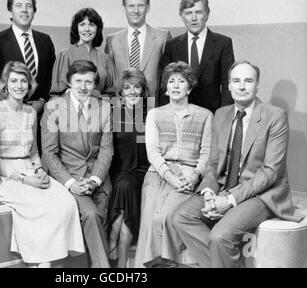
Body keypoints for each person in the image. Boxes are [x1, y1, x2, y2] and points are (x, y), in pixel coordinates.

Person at [172, 61, 304, 268]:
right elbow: (213, 164)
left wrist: (229, 200)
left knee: (220, 236)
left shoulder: (275, 116)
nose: (242, 86)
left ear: (257, 85)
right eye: (236, 81)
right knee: (180, 217)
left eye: (248, 81)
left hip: (262, 194)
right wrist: (208, 193)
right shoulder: (221, 114)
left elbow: (270, 173)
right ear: (229, 86)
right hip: (224, 187)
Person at [0, 61, 84, 267]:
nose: (19, 85)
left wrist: (39, 170)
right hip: (3, 176)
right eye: (13, 81)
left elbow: (33, 152)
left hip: (30, 169)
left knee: (66, 201)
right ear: (5, 84)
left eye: (24, 81)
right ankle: (41, 263)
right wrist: (25, 180)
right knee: (40, 205)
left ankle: (47, 261)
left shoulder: (31, 112)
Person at [134, 61, 212, 268]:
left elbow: (206, 153)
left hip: (189, 175)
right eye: (171, 81)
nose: (176, 85)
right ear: (166, 88)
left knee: (164, 219)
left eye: (181, 81)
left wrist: (194, 176)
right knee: (149, 222)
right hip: (157, 174)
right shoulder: (155, 114)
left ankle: (167, 264)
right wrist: (169, 176)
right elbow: (152, 151)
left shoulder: (205, 115)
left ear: (190, 87)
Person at [41, 60, 113, 268]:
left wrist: (94, 179)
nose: (83, 87)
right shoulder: (53, 107)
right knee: (91, 215)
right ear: (69, 82)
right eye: (78, 81)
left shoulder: (105, 108)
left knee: (101, 218)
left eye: (88, 82)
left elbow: (107, 149)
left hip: (98, 179)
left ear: (95, 85)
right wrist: (71, 182)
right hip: (69, 178)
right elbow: (49, 153)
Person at [159, 0, 234, 112]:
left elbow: (228, 83)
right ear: (182, 16)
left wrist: (223, 115)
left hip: (213, 113)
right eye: (188, 13)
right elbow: (164, 85)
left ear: (207, 14)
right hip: (178, 113)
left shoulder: (223, 43)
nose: (194, 18)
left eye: (198, 12)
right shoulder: (171, 45)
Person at [0, 0, 55, 113]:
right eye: (19, 6)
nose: (24, 10)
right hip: (6, 111)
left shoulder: (45, 41)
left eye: (29, 6)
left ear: (34, 11)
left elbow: (50, 77)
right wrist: (17, 103)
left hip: (39, 112)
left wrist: (43, 101)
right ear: (10, 11)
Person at [108, 69, 150, 268]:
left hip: (143, 171)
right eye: (127, 88)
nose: (132, 91)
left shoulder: (151, 113)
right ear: (121, 92)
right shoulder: (112, 113)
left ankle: (112, 244)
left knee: (126, 186)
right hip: (118, 171)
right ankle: (122, 265)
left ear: (143, 90)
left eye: (136, 87)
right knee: (124, 185)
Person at [105, 0, 171, 103]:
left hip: (154, 107)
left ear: (148, 8)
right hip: (122, 108)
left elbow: (168, 78)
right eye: (131, 6)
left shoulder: (163, 37)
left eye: (140, 5)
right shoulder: (112, 40)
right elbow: (110, 80)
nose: (136, 11)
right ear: (124, 8)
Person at [50, 8, 117, 98]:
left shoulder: (106, 58)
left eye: (91, 25)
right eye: (82, 24)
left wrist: (97, 99)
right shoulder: (65, 55)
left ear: (97, 29)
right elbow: (57, 93)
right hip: (70, 109)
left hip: (100, 108)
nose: (87, 29)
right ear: (76, 28)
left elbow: (113, 92)